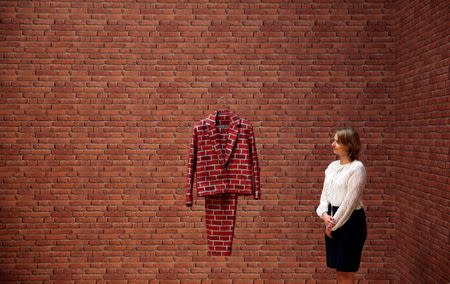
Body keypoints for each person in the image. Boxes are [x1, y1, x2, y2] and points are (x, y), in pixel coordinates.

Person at [316, 127, 368, 283]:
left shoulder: (357, 168)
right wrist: (324, 215)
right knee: (339, 270)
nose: (333, 144)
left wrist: (332, 224)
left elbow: (349, 202)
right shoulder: (332, 167)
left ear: (349, 145)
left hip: (350, 222)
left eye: (337, 141)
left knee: (346, 271)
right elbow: (325, 195)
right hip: (331, 218)